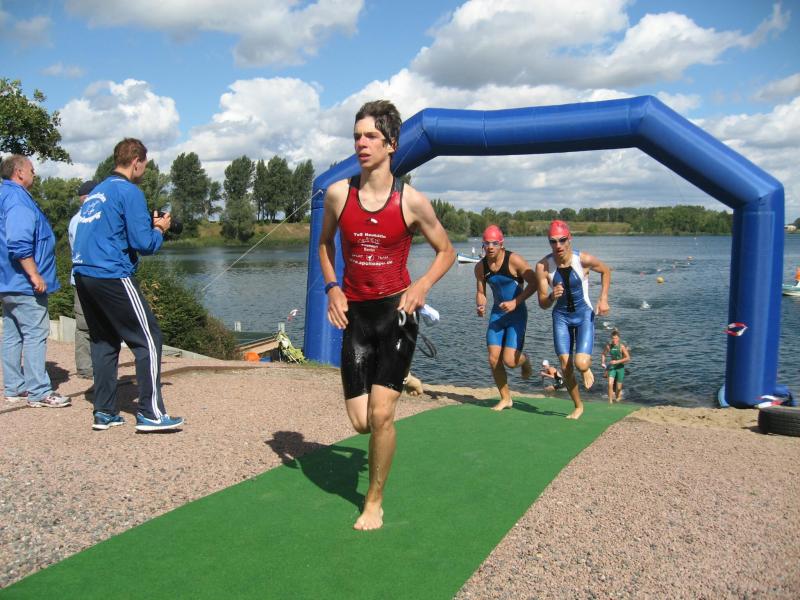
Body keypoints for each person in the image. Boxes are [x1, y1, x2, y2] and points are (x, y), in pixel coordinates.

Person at [319, 100, 455, 530]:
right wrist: (332, 287)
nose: (361, 143)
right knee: (361, 423)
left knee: (381, 416)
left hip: (397, 315)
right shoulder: (338, 194)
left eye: (371, 136)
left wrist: (422, 285)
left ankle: (373, 501)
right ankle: (401, 381)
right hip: (357, 318)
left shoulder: (411, 202)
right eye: (357, 136)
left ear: (391, 144)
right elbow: (324, 245)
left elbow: (446, 251)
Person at [72, 138, 182, 432]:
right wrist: (159, 229)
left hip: (83, 273)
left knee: (104, 341)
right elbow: (144, 244)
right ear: (136, 162)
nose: (144, 170)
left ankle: (104, 411)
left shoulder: (98, 191)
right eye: (144, 165)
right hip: (111, 273)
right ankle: (151, 414)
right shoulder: (129, 191)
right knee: (149, 339)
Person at [0, 155, 70, 408]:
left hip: (7, 280)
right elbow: (19, 240)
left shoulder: (4, 195)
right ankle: (39, 391)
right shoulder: (18, 199)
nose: (34, 173)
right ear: (19, 172)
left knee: (12, 334)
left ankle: (14, 387)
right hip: (23, 282)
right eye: (31, 169)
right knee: (35, 333)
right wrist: (34, 274)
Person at [536, 220, 610, 419]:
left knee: (581, 363)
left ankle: (585, 367)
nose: (558, 245)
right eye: (553, 241)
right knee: (565, 365)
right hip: (561, 317)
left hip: (584, 315)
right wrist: (551, 296)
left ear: (569, 239)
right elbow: (542, 303)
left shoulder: (583, 259)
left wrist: (603, 298)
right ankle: (578, 406)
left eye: (562, 240)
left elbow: (605, 270)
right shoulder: (543, 267)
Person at [474, 225, 535, 411]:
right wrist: (481, 304)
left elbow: (534, 283)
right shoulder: (480, 267)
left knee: (509, 361)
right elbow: (481, 292)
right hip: (498, 315)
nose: (490, 247)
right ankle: (506, 398)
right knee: (493, 359)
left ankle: (525, 360)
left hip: (517, 314)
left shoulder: (514, 260)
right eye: (486, 243)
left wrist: (516, 302)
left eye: (494, 243)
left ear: (502, 244)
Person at [68, 180, 98, 380]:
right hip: (92, 278)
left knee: (83, 324)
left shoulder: (75, 219)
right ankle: (90, 367)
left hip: (78, 278)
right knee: (90, 324)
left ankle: (86, 366)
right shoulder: (89, 220)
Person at [601, 329, 630, 403]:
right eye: (613, 338)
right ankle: (610, 402)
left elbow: (628, 358)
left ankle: (618, 398)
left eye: (616, 338)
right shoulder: (609, 346)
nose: (614, 340)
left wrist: (617, 361)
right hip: (612, 367)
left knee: (618, 389)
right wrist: (603, 362)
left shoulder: (621, 347)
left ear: (618, 338)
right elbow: (603, 354)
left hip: (620, 368)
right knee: (610, 383)